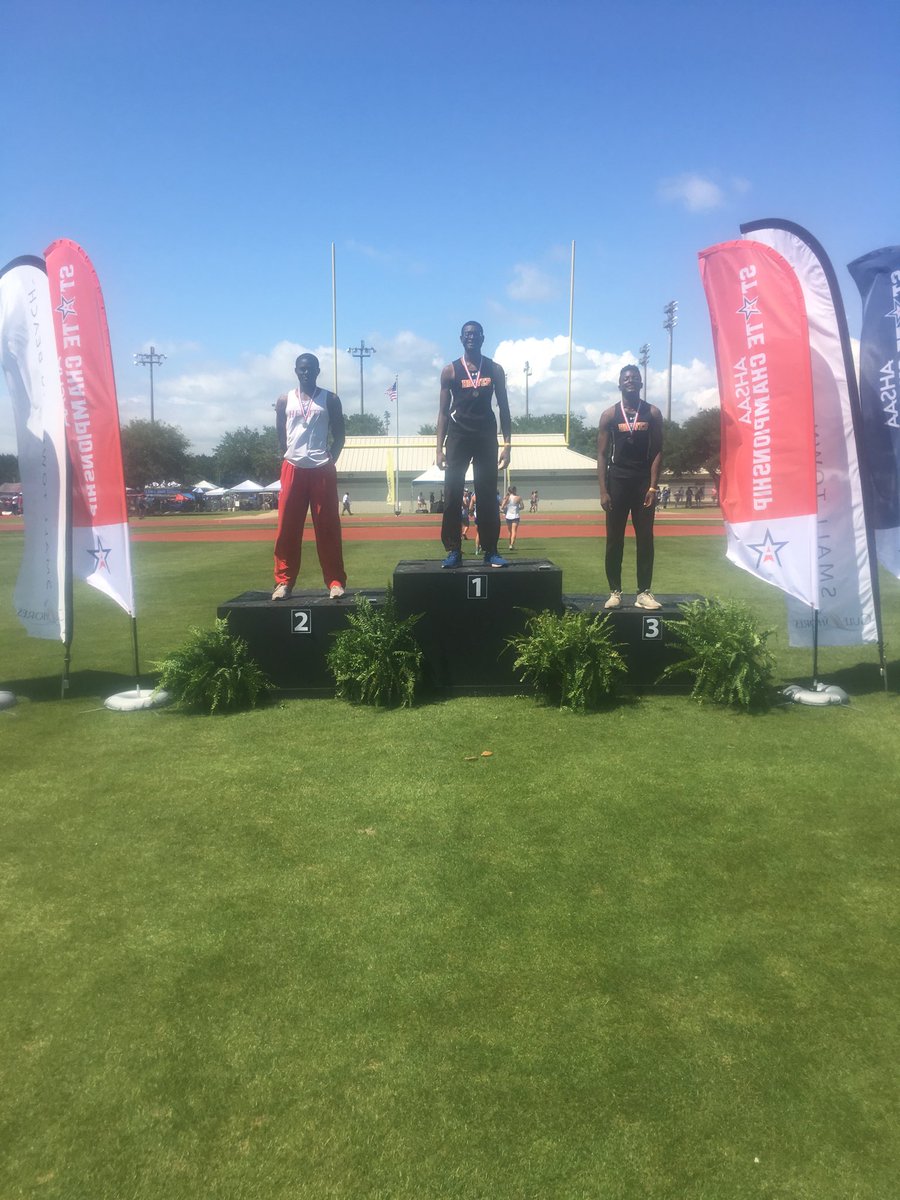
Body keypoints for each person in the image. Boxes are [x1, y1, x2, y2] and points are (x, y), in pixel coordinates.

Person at [436, 321, 512, 568]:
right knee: (452, 493)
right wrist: (438, 448)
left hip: (485, 436)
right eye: (468, 334)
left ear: (482, 338)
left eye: (476, 334)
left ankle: (491, 550)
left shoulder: (495, 369)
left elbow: (504, 408)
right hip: (458, 436)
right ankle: (453, 550)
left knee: (488, 495)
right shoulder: (450, 371)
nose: (472, 337)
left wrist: (507, 443)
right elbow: (443, 413)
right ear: (461, 338)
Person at [272, 353, 347, 601]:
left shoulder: (330, 399)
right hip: (292, 467)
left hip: (322, 468)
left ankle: (335, 581)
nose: (306, 372)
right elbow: (281, 435)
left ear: (317, 371)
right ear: (296, 371)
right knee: (287, 529)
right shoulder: (285, 400)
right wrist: (289, 454)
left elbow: (340, 436)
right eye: (302, 369)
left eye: (310, 369)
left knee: (327, 528)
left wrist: (329, 460)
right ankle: (283, 582)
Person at [597, 364, 663, 610]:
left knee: (645, 538)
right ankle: (615, 591)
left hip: (643, 482)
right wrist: (603, 490)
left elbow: (657, 450)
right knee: (614, 539)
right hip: (617, 481)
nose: (631, 381)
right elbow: (602, 454)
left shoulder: (653, 413)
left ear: (641, 384)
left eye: (635, 377)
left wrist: (653, 487)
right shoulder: (609, 415)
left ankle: (644, 592)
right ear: (619, 384)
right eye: (626, 378)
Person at [502, 485, 523, 549]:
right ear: (514, 490)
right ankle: (511, 545)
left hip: (508, 516)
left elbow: (502, 506)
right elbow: (522, 506)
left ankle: (510, 544)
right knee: (514, 531)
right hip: (515, 516)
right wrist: (517, 508)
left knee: (510, 531)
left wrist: (506, 507)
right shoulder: (518, 497)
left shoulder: (507, 497)